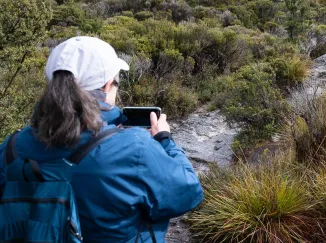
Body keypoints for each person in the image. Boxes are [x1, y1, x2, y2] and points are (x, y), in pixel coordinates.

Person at [0, 36, 203, 243]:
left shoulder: (12, 147)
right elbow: (188, 192)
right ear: (107, 85)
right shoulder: (135, 148)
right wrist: (164, 138)